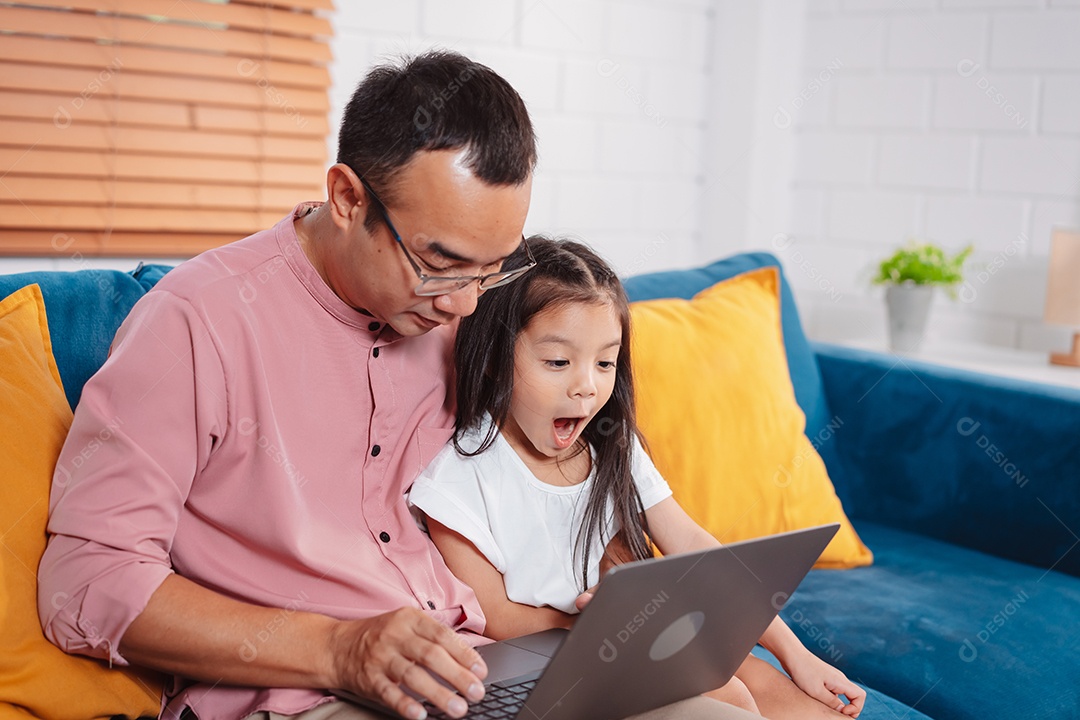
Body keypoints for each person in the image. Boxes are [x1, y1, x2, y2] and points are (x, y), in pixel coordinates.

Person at [36, 51, 758, 720]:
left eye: (493, 268)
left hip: (477, 665)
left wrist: (613, 584)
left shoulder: (459, 317)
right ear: (348, 198)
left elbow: (542, 471)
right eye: (441, 263)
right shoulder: (196, 323)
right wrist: (337, 649)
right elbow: (86, 583)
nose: (467, 306)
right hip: (301, 695)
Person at [408, 238, 868, 719]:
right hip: (558, 659)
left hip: (639, 641)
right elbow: (496, 616)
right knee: (732, 702)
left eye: (605, 362)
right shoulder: (460, 475)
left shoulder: (612, 445)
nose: (587, 385)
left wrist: (798, 656)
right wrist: (603, 628)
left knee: (815, 711)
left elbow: (696, 546)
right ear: (494, 357)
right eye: (558, 362)